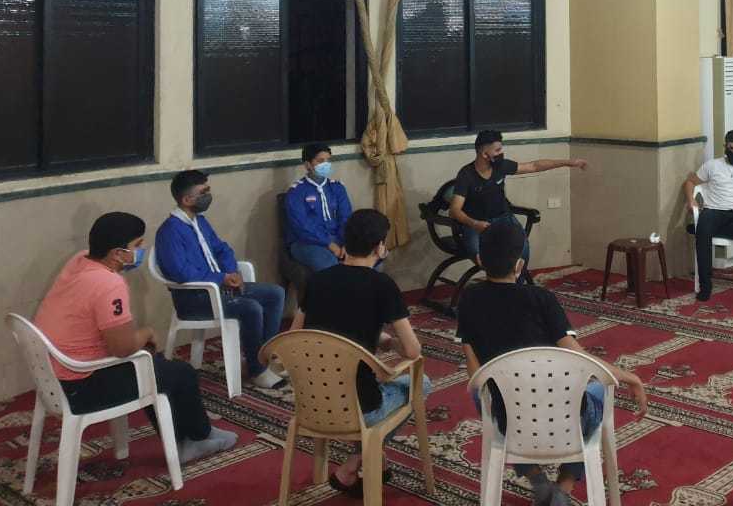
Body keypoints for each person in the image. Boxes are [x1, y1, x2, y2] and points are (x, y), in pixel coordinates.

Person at [457, 218, 648, 506]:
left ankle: (538, 481)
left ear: (481, 260)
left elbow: (475, 375)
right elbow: (579, 358)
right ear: (520, 265)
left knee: (484, 397)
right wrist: (630, 376)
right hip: (567, 421)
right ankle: (564, 487)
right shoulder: (541, 299)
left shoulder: (468, 301)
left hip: (512, 424)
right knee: (598, 390)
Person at [34, 212, 238, 464]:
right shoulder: (108, 283)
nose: (141, 251)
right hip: (81, 386)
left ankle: (196, 435)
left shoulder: (78, 262)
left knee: (155, 364)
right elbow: (121, 348)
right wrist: (147, 333)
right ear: (117, 254)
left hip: (53, 377)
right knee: (180, 372)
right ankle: (194, 439)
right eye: (137, 245)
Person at [271, 208, 429, 496]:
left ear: (345, 242)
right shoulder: (382, 285)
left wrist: (375, 338)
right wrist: (390, 343)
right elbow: (411, 350)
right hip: (361, 408)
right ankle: (358, 459)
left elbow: (295, 337)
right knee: (422, 383)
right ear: (380, 247)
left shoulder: (316, 281)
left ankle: (363, 459)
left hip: (310, 403)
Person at [155, 169, 288, 389]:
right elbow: (181, 272)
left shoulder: (200, 222)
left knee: (275, 293)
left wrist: (231, 272)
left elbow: (222, 249)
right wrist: (221, 278)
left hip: (220, 288)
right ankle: (257, 370)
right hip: (195, 299)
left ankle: (265, 357)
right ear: (187, 200)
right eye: (203, 192)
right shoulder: (169, 232)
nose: (209, 195)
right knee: (251, 307)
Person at [448, 130, 588, 279]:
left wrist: (568, 163)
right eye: (497, 150)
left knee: (521, 250)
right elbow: (454, 210)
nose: (502, 153)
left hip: (503, 218)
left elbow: (534, 166)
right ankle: (495, 286)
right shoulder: (466, 174)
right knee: (482, 259)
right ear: (484, 154)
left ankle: (517, 285)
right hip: (476, 224)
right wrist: (474, 224)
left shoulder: (501, 166)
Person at [683, 129, 733, 302]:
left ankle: (701, 229)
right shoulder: (712, 165)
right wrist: (691, 199)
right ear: (725, 147)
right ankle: (705, 286)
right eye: (731, 148)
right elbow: (690, 182)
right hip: (714, 211)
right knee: (704, 230)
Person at [284, 143, 353, 272]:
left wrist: (345, 242)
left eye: (328, 160)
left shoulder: (337, 188)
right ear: (308, 165)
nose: (326, 164)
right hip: (306, 242)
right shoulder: (296, 192)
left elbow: (346, 217)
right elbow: (302, 227)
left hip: (337, 238)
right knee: (330, 264)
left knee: (364, 257)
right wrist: (329, 244)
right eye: (320, 161)